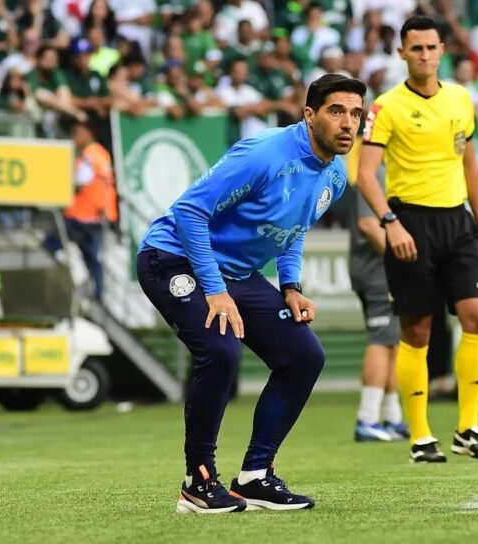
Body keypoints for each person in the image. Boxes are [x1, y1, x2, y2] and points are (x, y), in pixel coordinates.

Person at [136, 74, 367, 514]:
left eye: (356, 114)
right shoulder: (263, 153)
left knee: (304, 356)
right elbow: (189, 212)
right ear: (310, 115)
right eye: (337, 111)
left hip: (237, 274)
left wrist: (291, 285)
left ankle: (256, 476)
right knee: (221, 350)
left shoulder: (334, 174)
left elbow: (293, 230)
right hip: (171, 258)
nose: (348, 124)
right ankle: (197, 482)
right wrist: (216, 290)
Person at [357, 15, 478, 463]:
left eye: (431, 47)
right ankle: (420, 436)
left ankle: (468, 427)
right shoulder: (385, 106)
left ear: (442, 50)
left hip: (458, 223)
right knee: (417, 330)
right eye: (415, 48)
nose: (424, 55)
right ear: (401, 53)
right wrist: (390, 223)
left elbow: (470, 165)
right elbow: (364, 175)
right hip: (411, 223)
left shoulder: (460, 98)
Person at [348, 164, 408, 442]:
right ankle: (367, 418)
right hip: (376, 270)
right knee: (382, 339)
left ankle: (392, 417)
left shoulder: (392, 172)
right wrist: (404, 256)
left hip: (384, 270)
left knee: (394, 340)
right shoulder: (377, 173)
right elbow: (368, 224)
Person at [43, 120, 117, 300]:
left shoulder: (88, 155)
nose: (74, 137)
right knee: (92, 257)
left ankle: (75, 271)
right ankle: (98, 293)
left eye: (77, 132)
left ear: (88, 133)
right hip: (99, 215)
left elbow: (80, 180)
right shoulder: (102, 153)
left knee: (50, 244)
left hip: (82, 214)